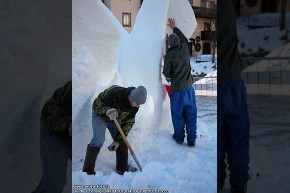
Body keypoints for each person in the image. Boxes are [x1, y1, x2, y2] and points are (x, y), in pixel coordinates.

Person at [217, 0, 250, 193]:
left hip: (218, 81)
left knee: (220, 140)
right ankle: (239, 185)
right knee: (238, 137)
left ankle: (219, 184)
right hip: (232, 78)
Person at [82, 85, 147, 175]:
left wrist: (117, 140)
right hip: (100, 116)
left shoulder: (134, 107)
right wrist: (107, 111)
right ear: (131, 98)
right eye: (137, 103)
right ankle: (87, 171)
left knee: (123, 140)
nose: (138, 106)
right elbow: (97, 103)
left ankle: (122, 168)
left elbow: (128, 122)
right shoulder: (116, 93)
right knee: (98, 140)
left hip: (115, 118)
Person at [163, 18, 197, 147]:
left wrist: (172, 73)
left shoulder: (170, 55)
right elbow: (183, 37)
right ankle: (192, 139)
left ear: (170, 44)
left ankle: (179, 138)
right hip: (189, 89)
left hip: (177, 90)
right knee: (191, 114)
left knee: (178, 116)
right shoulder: (185, 48)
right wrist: (174, 27)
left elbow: (166, 73)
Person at [33, 81, 72, 193]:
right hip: (54, 133)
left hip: (74, 139)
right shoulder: (75, 90)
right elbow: (49, 111)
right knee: (54, 184)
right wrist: (68, 124)